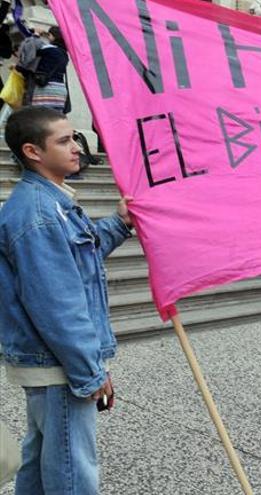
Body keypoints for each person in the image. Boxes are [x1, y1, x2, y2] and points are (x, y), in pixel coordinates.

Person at [0, 106, 133, 494]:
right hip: (56, 362)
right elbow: (58, 305)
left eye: (75, 137)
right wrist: (88, 371)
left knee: (43, 460)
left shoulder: (50, 202)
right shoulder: (39, 214)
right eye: (64, 140)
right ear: (33, 151)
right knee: (72, 471)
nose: (77, 147)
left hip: (50, 359)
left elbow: (80, 254)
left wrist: (120, 222)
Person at [28, 27, 70, 114]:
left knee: (40, 118)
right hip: (60, 91)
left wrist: (36, 34)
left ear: (54, 37)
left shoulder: (49, 49)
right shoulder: (64, 54)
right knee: (54, 119)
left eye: (49, 35)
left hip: (47, 88)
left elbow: (30, 49)